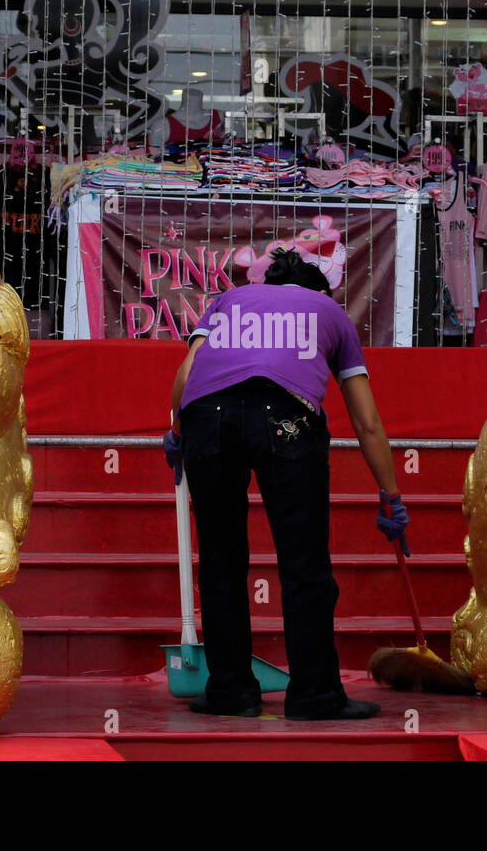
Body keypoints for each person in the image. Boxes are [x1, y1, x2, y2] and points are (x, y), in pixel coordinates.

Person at [163, 249, 409, 720]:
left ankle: (231, 691)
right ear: (319, 291)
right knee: (304, 564)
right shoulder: (329, 311)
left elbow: (187, 375)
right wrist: (390, 493)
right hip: (286, 418)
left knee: (221, 561)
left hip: (206, 419)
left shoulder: (228, 300)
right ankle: (315, 694)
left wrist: (177, 433)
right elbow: (367, 420)